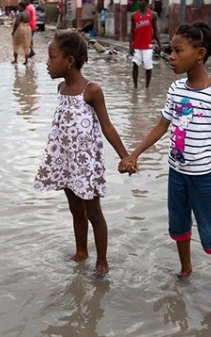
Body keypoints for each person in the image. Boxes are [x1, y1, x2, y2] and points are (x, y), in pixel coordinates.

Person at [119, 21, 211, 297]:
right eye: (170, 50)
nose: (170, 57)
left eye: (177, 51)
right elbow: (163, 124)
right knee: (178, 226)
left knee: (210, 232)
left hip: (204, 178)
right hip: (177, 173)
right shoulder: (176, 89)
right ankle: (186, 268)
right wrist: (135, 153)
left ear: (199, 54)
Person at [34, 32, 130, 275]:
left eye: (52, 57)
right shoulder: (61, 88)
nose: (47, 63)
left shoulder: (91, 90)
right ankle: (81, 252)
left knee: (93, 213)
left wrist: (125, 156)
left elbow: (107, 125)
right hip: (66, 161)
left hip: (85, 164)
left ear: (69, 61)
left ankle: (102, 262)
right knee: (75, 210)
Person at [129, 0, 162, 88]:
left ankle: (147, 87)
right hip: (137, 45)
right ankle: (135, 86)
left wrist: (160, 45)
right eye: (138, 0)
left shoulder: (153, 15)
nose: (138, 2)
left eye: (141, 0)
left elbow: (155, 31)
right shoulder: (133, 15)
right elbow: (131, 32)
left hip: (147, 46)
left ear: (146, 2)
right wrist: (130, 45)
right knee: (135, 64)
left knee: (148, 67)